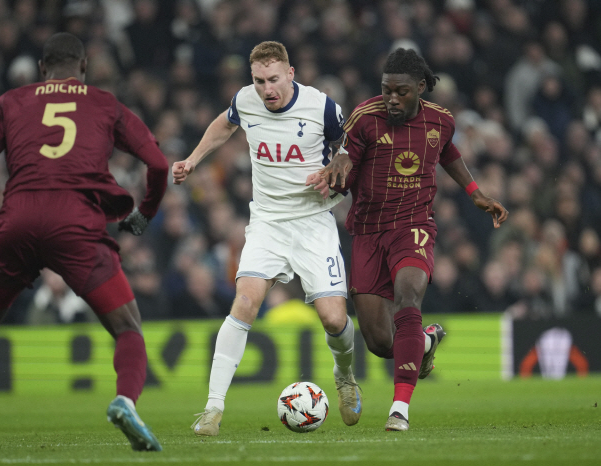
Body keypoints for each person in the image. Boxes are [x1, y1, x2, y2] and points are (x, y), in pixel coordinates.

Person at [0, 33, 168, 452]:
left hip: (17, 219)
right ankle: (126, 402)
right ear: (84, 68)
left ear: (41, 70)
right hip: (76, 224)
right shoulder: (104, 102)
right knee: (128, 328)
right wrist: (143, 215)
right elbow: (158, 163)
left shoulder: (9, 102)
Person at [172, 41, 362, 436]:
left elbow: (351, 150)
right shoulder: (246, 101)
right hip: (268, 223)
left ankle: (344, 376)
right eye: (259, 81)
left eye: (273, 79)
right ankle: (212, 409)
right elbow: (224, 124)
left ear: (290, 74)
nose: (266, 89)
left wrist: (334, 177)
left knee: (333, 318)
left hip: (313, 222)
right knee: (244, 302)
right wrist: (192, 159)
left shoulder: (322, 107)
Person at [315, 48, 508, 431]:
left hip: (414, 225)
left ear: (420, 88)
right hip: (368, 232)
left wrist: (474, 192)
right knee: (379, 342)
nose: (391, 98)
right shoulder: (366, 118)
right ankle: (424, 342)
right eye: (386, 90)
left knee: (408, 296)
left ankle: (399, 408)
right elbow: (348, 152)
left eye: (400, 91)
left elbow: (446, 150)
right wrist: (340, 160)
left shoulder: (441, 120)